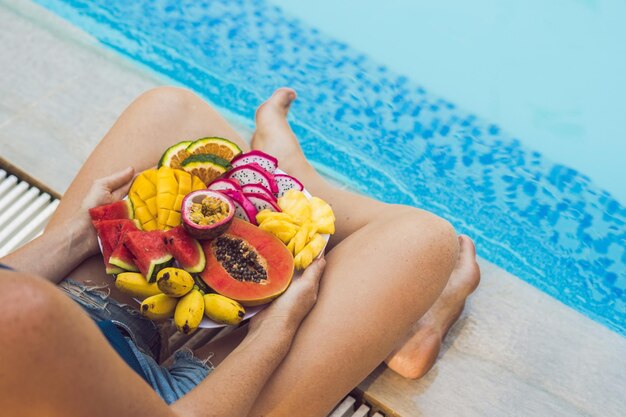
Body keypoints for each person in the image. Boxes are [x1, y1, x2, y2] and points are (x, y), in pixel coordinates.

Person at [0, 87, 479, 417]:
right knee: (422, 239)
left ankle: (285, 179)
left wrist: (81, 236)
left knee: (170, 111)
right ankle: (292, 178)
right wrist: (274, 331)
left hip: (65, 342)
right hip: (173, 403)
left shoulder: (26, 311)